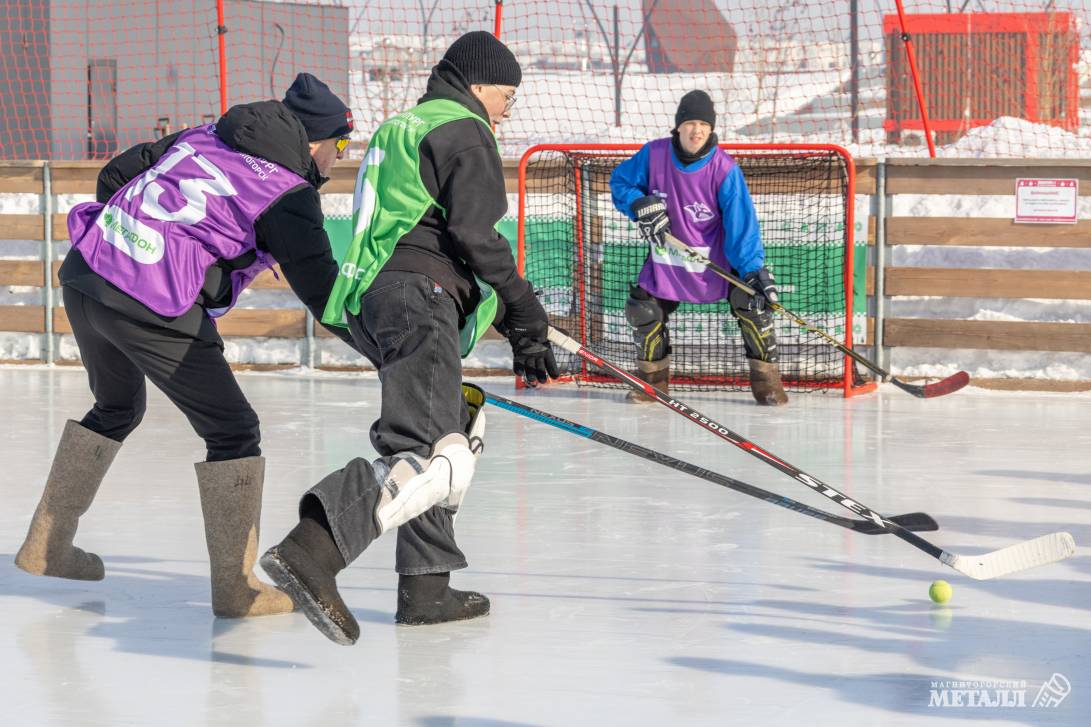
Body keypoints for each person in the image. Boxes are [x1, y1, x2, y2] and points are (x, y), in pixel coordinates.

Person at [15, 73, 357, 618]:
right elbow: (325, 295)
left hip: (87, 273)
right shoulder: (289, 196)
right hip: (145, 301)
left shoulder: (204, 136)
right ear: (316, 143)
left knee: (117, 407)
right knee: (233, 430)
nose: (340, 159)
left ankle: (47, 544)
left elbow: (114, 175)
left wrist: (152, 242)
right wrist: (388, 350)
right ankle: (236, 589)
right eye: (341, 146)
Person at [260, 31, 558, 646]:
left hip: (380, 298)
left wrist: (503, 315)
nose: (507, 109)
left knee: (450, 431)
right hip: (418, 299)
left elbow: (424, 229)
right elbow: (476, 238)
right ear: (478, 85)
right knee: (425, 452)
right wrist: (526, 309)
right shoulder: (463, 128)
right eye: (506, 95)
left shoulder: (405, 126)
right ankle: (312, 550)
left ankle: (427, 585)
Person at [609, 90, 788, 406]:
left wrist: (752, 270)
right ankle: (653, 383)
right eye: (690, 122)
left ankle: (767, 382)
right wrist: (638, 203)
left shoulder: (724, 169)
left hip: (713, 266)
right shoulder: (653, 155)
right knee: (643, 310)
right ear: (678, 126)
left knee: (753, 303)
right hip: (667, 264)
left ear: (711, 128)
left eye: (703, 124)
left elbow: (741, 226)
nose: (696, 130)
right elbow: (620, 182)